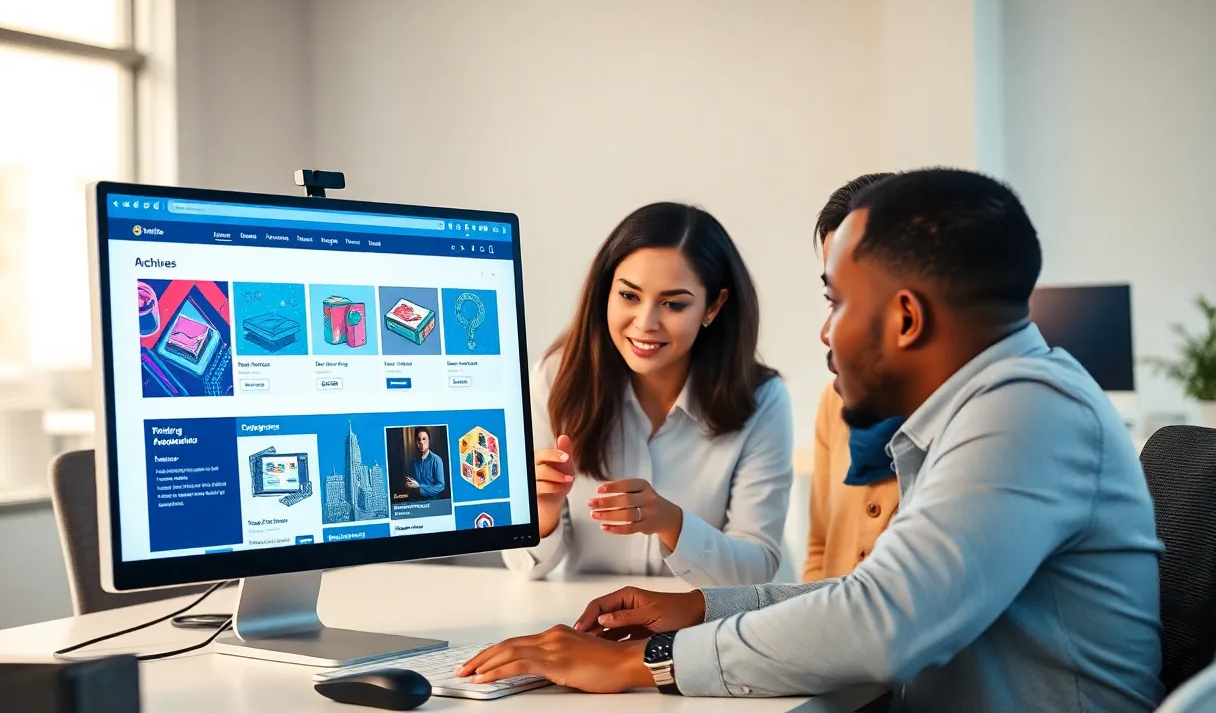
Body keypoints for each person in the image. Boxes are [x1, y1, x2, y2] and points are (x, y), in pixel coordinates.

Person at [460, 169, 1164, 712]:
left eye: (835, 301)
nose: (825, 333)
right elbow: (866, 593)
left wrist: (643, 661)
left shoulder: (1026, 414)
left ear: (907, 317)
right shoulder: (991, 404)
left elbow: (880, 624)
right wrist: (701, 607)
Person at [503, 202, 793, 587]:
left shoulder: (763, 400)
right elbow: (527, 567)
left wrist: (672, 523)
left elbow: (757, 567)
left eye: (674, 304)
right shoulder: (557, 378)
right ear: (606, 291)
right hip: (589, 626)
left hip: (702, 633)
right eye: (629, 296)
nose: (645, 323)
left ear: (714, 306)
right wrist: (543, 511)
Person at [803, 172, 904, 582]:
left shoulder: (964, 424)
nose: (827, 333)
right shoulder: (835, 399)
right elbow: (818, 549)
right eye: (831, 298)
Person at [405, 427, 445, 498]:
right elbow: (410, 481)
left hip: (433, 501)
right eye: (418, 440)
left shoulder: (436, 460)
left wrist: (419, 487)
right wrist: (408, 485)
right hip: (416, 501)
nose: (421, 442)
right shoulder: (413, 462)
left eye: (424, 439)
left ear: (429, 440)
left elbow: (440, 486)